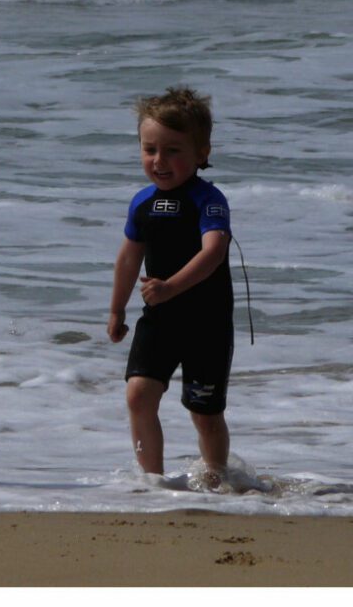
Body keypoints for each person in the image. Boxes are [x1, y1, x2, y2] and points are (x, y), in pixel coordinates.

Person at [106, 86, 233, 481]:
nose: (159, 161)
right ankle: (154, 482)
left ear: (202, 153)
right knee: (138, 395)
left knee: (205, 414)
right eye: (150, 150)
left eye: (173, 150)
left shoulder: (208, 200)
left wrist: (170, 287)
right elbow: (129, 257)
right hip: (159, 319)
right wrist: (116, 309)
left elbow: (213, 251)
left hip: (206, 325)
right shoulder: (141, 202)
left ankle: (217, 476)